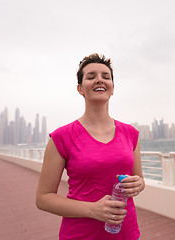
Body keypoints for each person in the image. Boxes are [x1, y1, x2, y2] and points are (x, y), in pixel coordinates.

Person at [36, 53, 145, 240]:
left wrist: (139, 184)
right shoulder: (61, 137)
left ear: (112, 88)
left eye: (106, 76)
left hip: (126, 233)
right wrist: (92, 210)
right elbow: (43, 198)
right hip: (80, 235)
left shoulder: (130, 133)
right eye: (91, 76)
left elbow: (139, 179)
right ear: (80, 89)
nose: (99, 80)